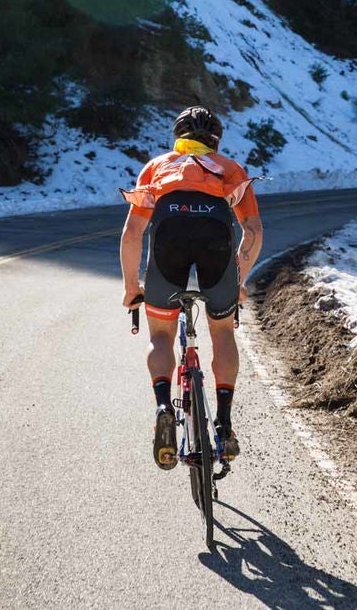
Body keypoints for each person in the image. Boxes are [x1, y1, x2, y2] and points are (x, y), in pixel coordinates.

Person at [119, 106, 264, 470]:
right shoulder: (230, 170)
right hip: (217, 241)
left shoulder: (157, 167)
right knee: (222, 331)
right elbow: (254, 232)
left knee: (162, 337)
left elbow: (132, 233)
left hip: (168, 239)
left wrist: (130, 286)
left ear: (177, 134)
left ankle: (164, 405)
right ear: (216, 139)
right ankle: (225, 423)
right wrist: (238, 282)